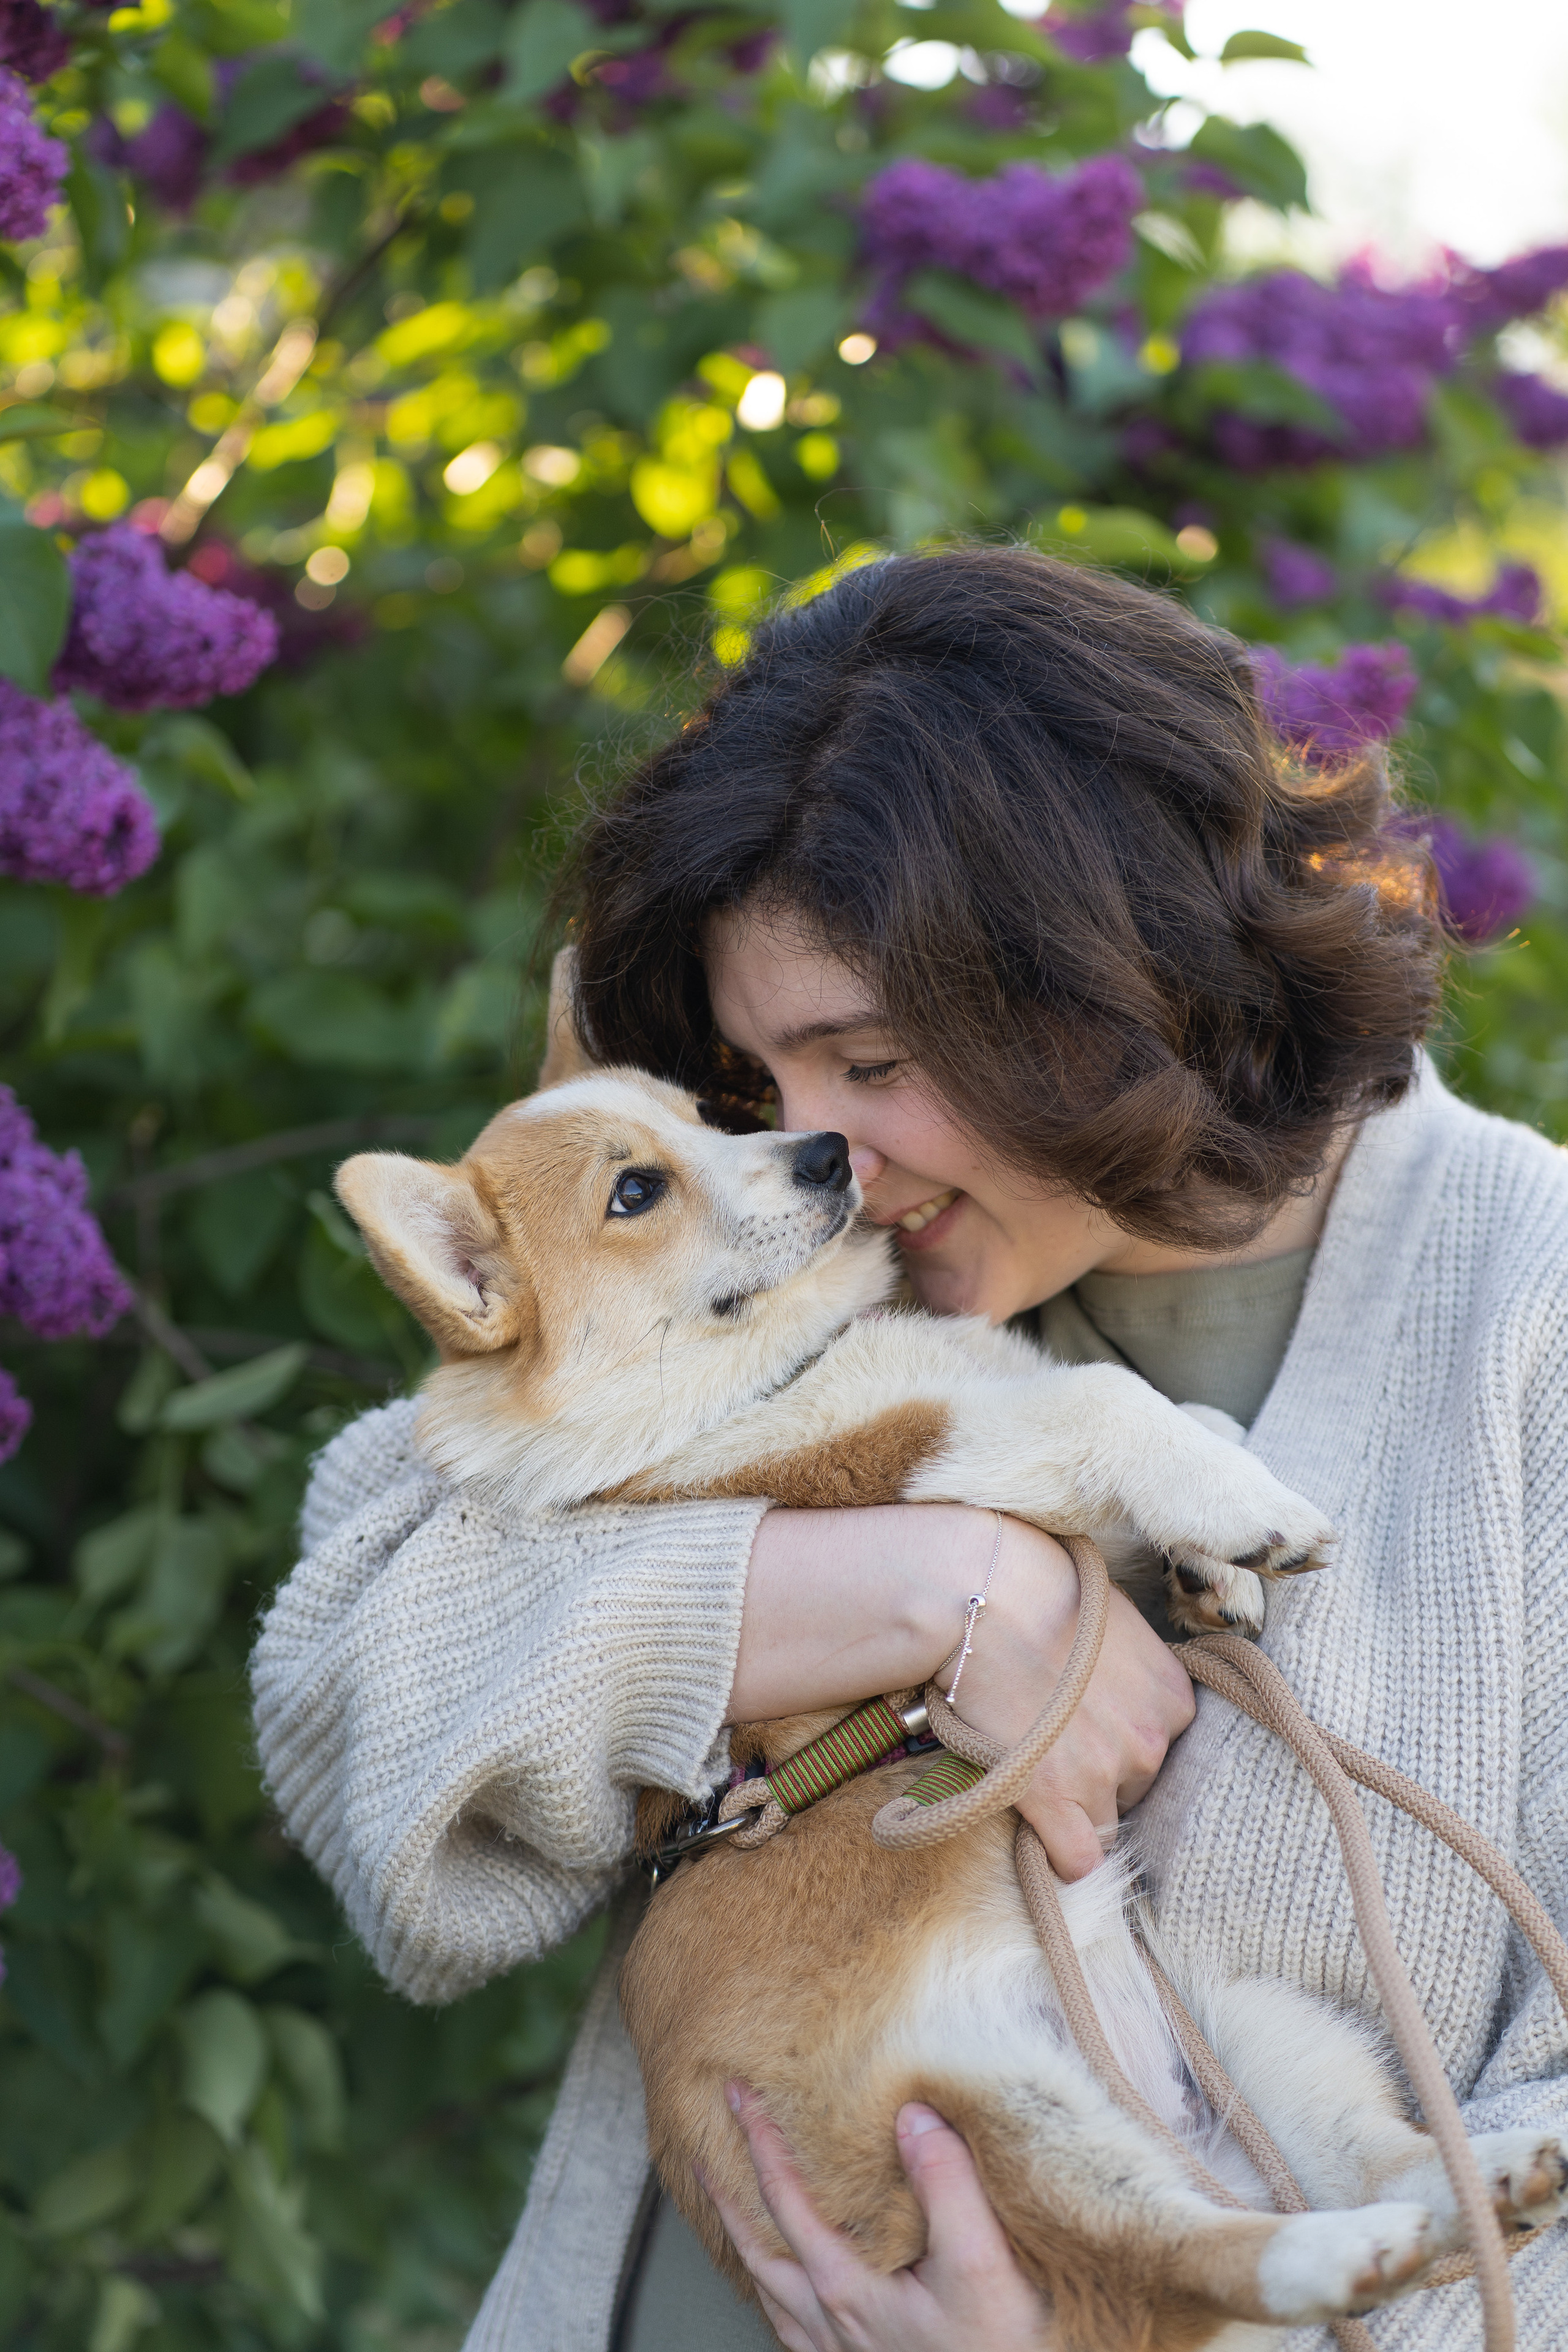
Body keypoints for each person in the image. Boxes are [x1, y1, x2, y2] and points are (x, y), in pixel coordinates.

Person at [251, 549, 1568, 2352]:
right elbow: (348, 1701)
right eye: (758, 1082)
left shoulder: (1529, 1323)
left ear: (1128, 978)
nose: (819, 1161)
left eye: (870, 1059)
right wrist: (904, 1588)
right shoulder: (787, 1285)